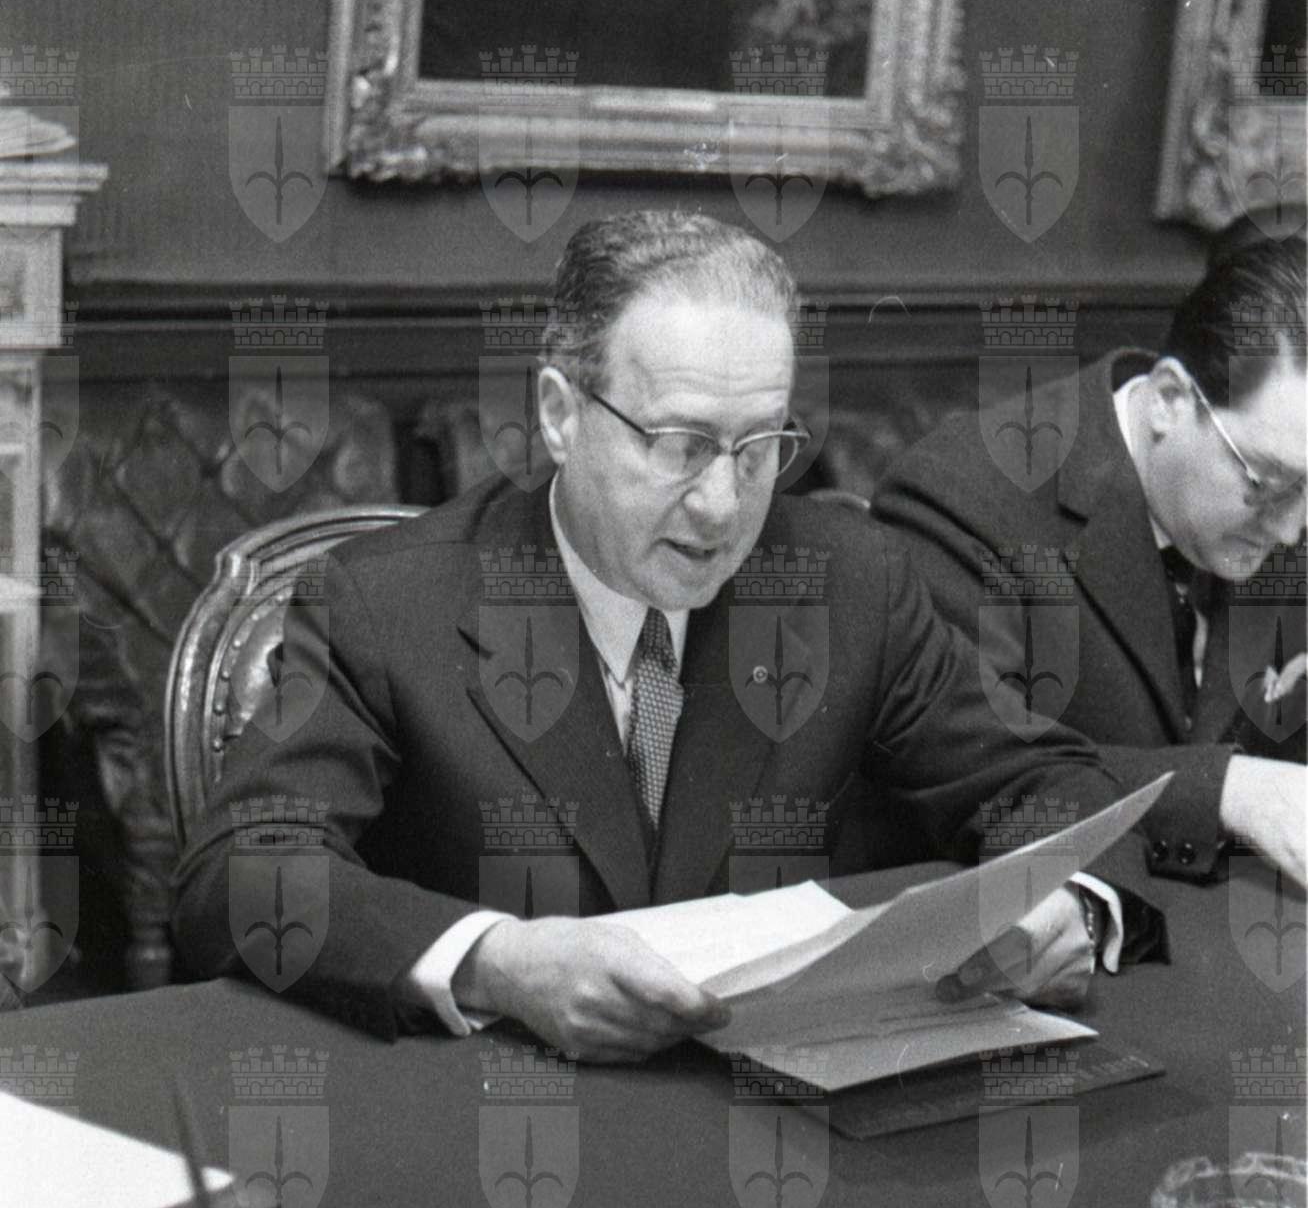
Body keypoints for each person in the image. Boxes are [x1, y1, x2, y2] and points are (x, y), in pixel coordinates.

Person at [172, 213, 1162, 1056]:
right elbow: (241, 870)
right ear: (561, 414)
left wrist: (1070, 902)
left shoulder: (850, 580)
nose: (722, 504)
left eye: (760, 447)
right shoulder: (388, 602)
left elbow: (1047, 782)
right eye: (680, 444)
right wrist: (496, 960)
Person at [875, 236, 1307, 890]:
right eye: (1266, 484)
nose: (1291, 528)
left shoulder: (1288, 462)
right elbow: (978, 774)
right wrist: (1227, 792)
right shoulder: (963, 500)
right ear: (1169, 400)